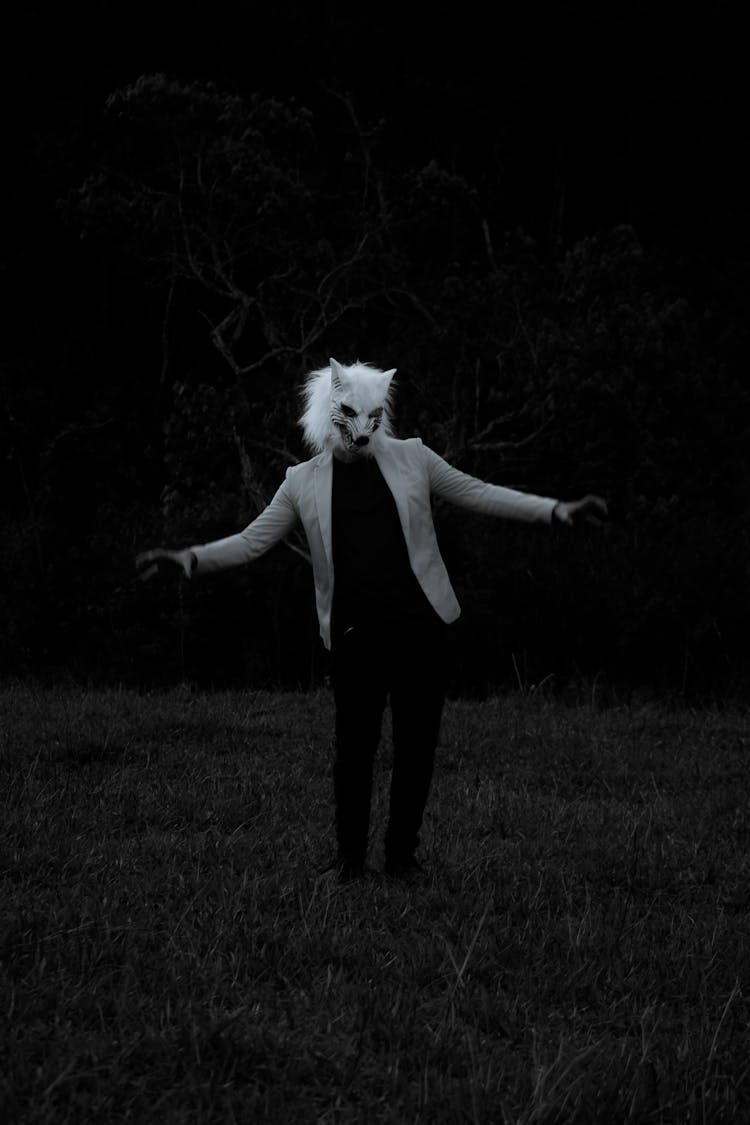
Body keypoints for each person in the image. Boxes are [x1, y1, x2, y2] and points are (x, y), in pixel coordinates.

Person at [137, 359, 607, 883]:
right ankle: (349, 862)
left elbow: (477, 491)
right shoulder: (301, 482)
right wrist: (191, 559)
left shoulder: (413, 458)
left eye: (373, 417)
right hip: (356, 636)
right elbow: (252, 541)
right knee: (354, 751)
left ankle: (403, 857)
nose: (363, 429)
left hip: (421, 629)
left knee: (416, 749)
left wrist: (554, 510)